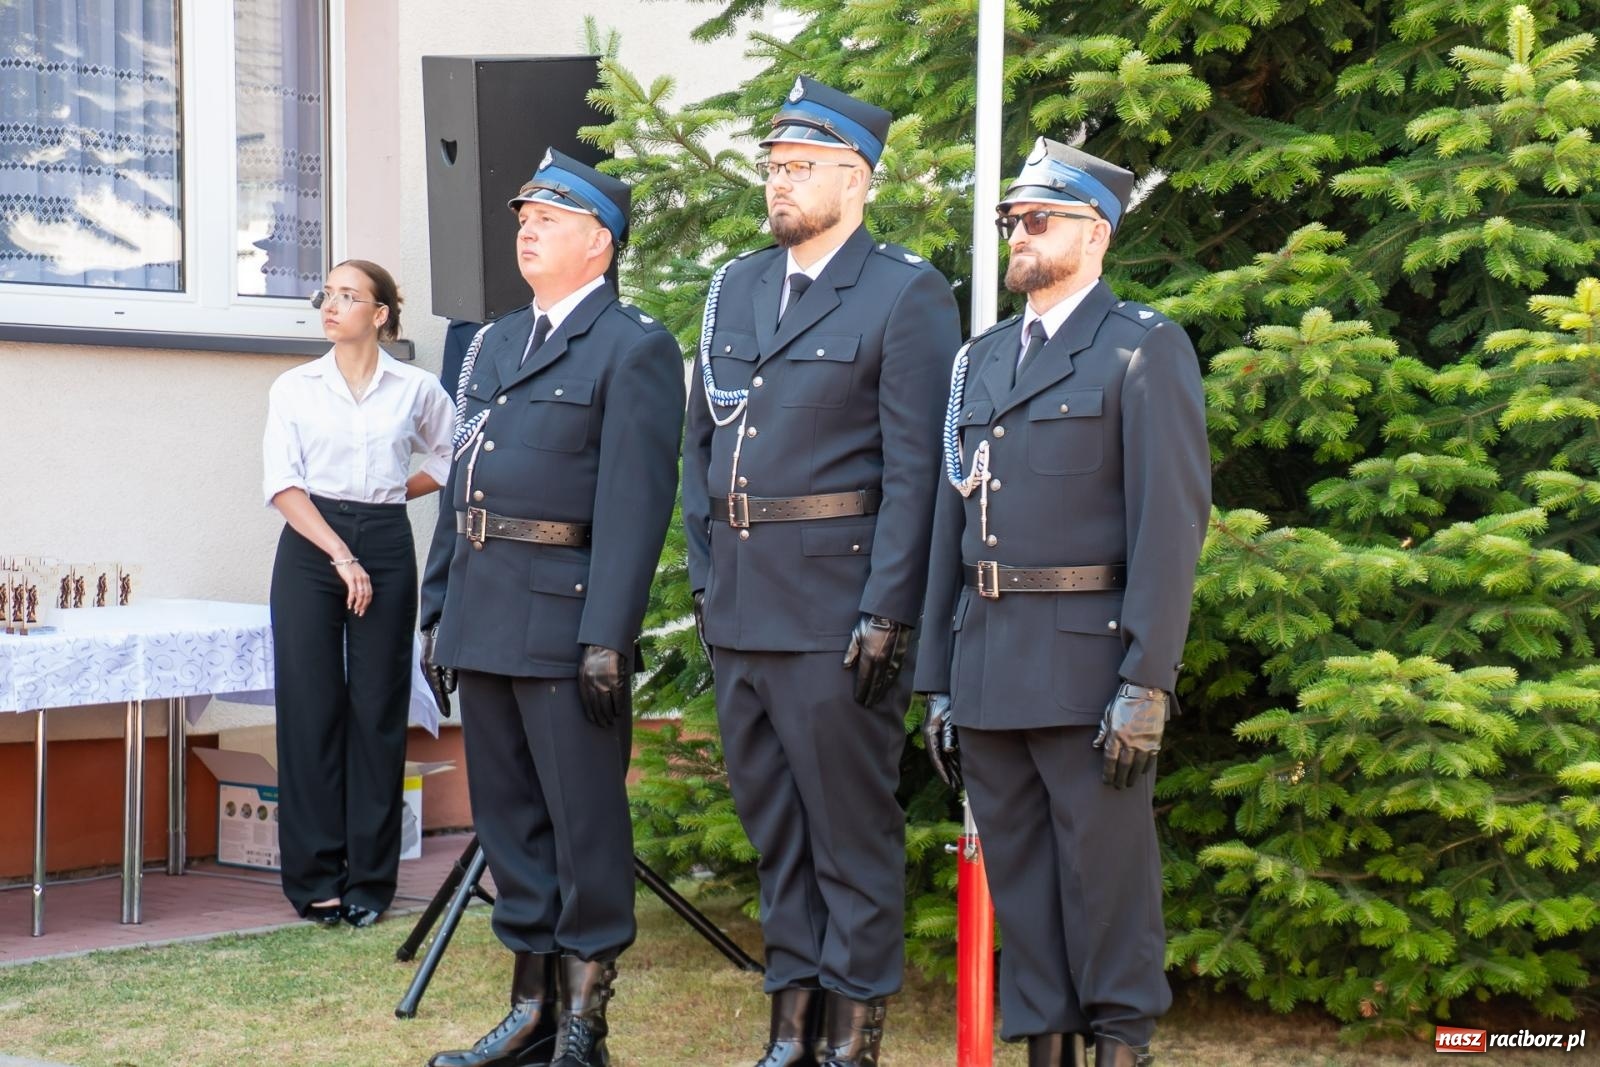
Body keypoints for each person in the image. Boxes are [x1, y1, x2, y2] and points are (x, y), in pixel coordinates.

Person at [682, 76, 961, 1066]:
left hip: (836, 609)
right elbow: (700, 446)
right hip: (742, 604)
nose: (779, 182)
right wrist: (704, 577)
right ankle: (790, 1027)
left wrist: (889, 609)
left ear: (856, 179)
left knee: (848, 833)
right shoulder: (738, 285)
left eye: (801, 166)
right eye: (773, 165)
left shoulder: (905, 292)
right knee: (774, 828)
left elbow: (916, 473)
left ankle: (851, 1033)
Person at [915, 138, 1212, 1067]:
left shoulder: (1141, 348)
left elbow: (1169, 526)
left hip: (1090, 667)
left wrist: (1147, 679)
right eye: (1012, 219)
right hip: (989, 662)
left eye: (1040, 219)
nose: (1020, 233)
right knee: (1023, 884)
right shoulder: (981, 359)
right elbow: (949, 532)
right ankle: (1047, 1048)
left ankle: (1122, 1044)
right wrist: (938, 678)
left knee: (1107, 880)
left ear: (1096, 234)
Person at [419, 149, 684, 1067]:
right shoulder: (494, 342)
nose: (527, 231)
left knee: (584, 823)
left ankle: (583, 1023)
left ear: (599, 242)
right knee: (508, 823)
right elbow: (463, 482)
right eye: (524, 218)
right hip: (486, 611)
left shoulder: (633, 346)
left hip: (567, 623)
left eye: (549, 219)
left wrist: (608, 633)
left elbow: (635, 504)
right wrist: (439, 607)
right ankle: (530, 1010)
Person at [262, 259, 453, 928]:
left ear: (380, 315)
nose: (331, 305)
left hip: (386, 540)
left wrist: (392, 495)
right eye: (328, 294)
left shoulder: (416, 388)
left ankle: (371, 880)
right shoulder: (295, 387)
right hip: (311, 545)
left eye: (349, 295)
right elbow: (283, 485)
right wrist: (342, 552)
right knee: (310, 709)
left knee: (377, 711)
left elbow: (448, 456)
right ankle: (315, 879)